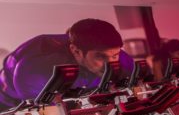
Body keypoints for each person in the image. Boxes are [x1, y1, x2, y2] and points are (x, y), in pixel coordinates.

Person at [0, 18, 133, 110]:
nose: (110, 64)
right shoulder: (38, 70)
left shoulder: (117, 55)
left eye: (115, 55)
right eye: (100, 56)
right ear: (76, 51)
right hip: (8, 100)